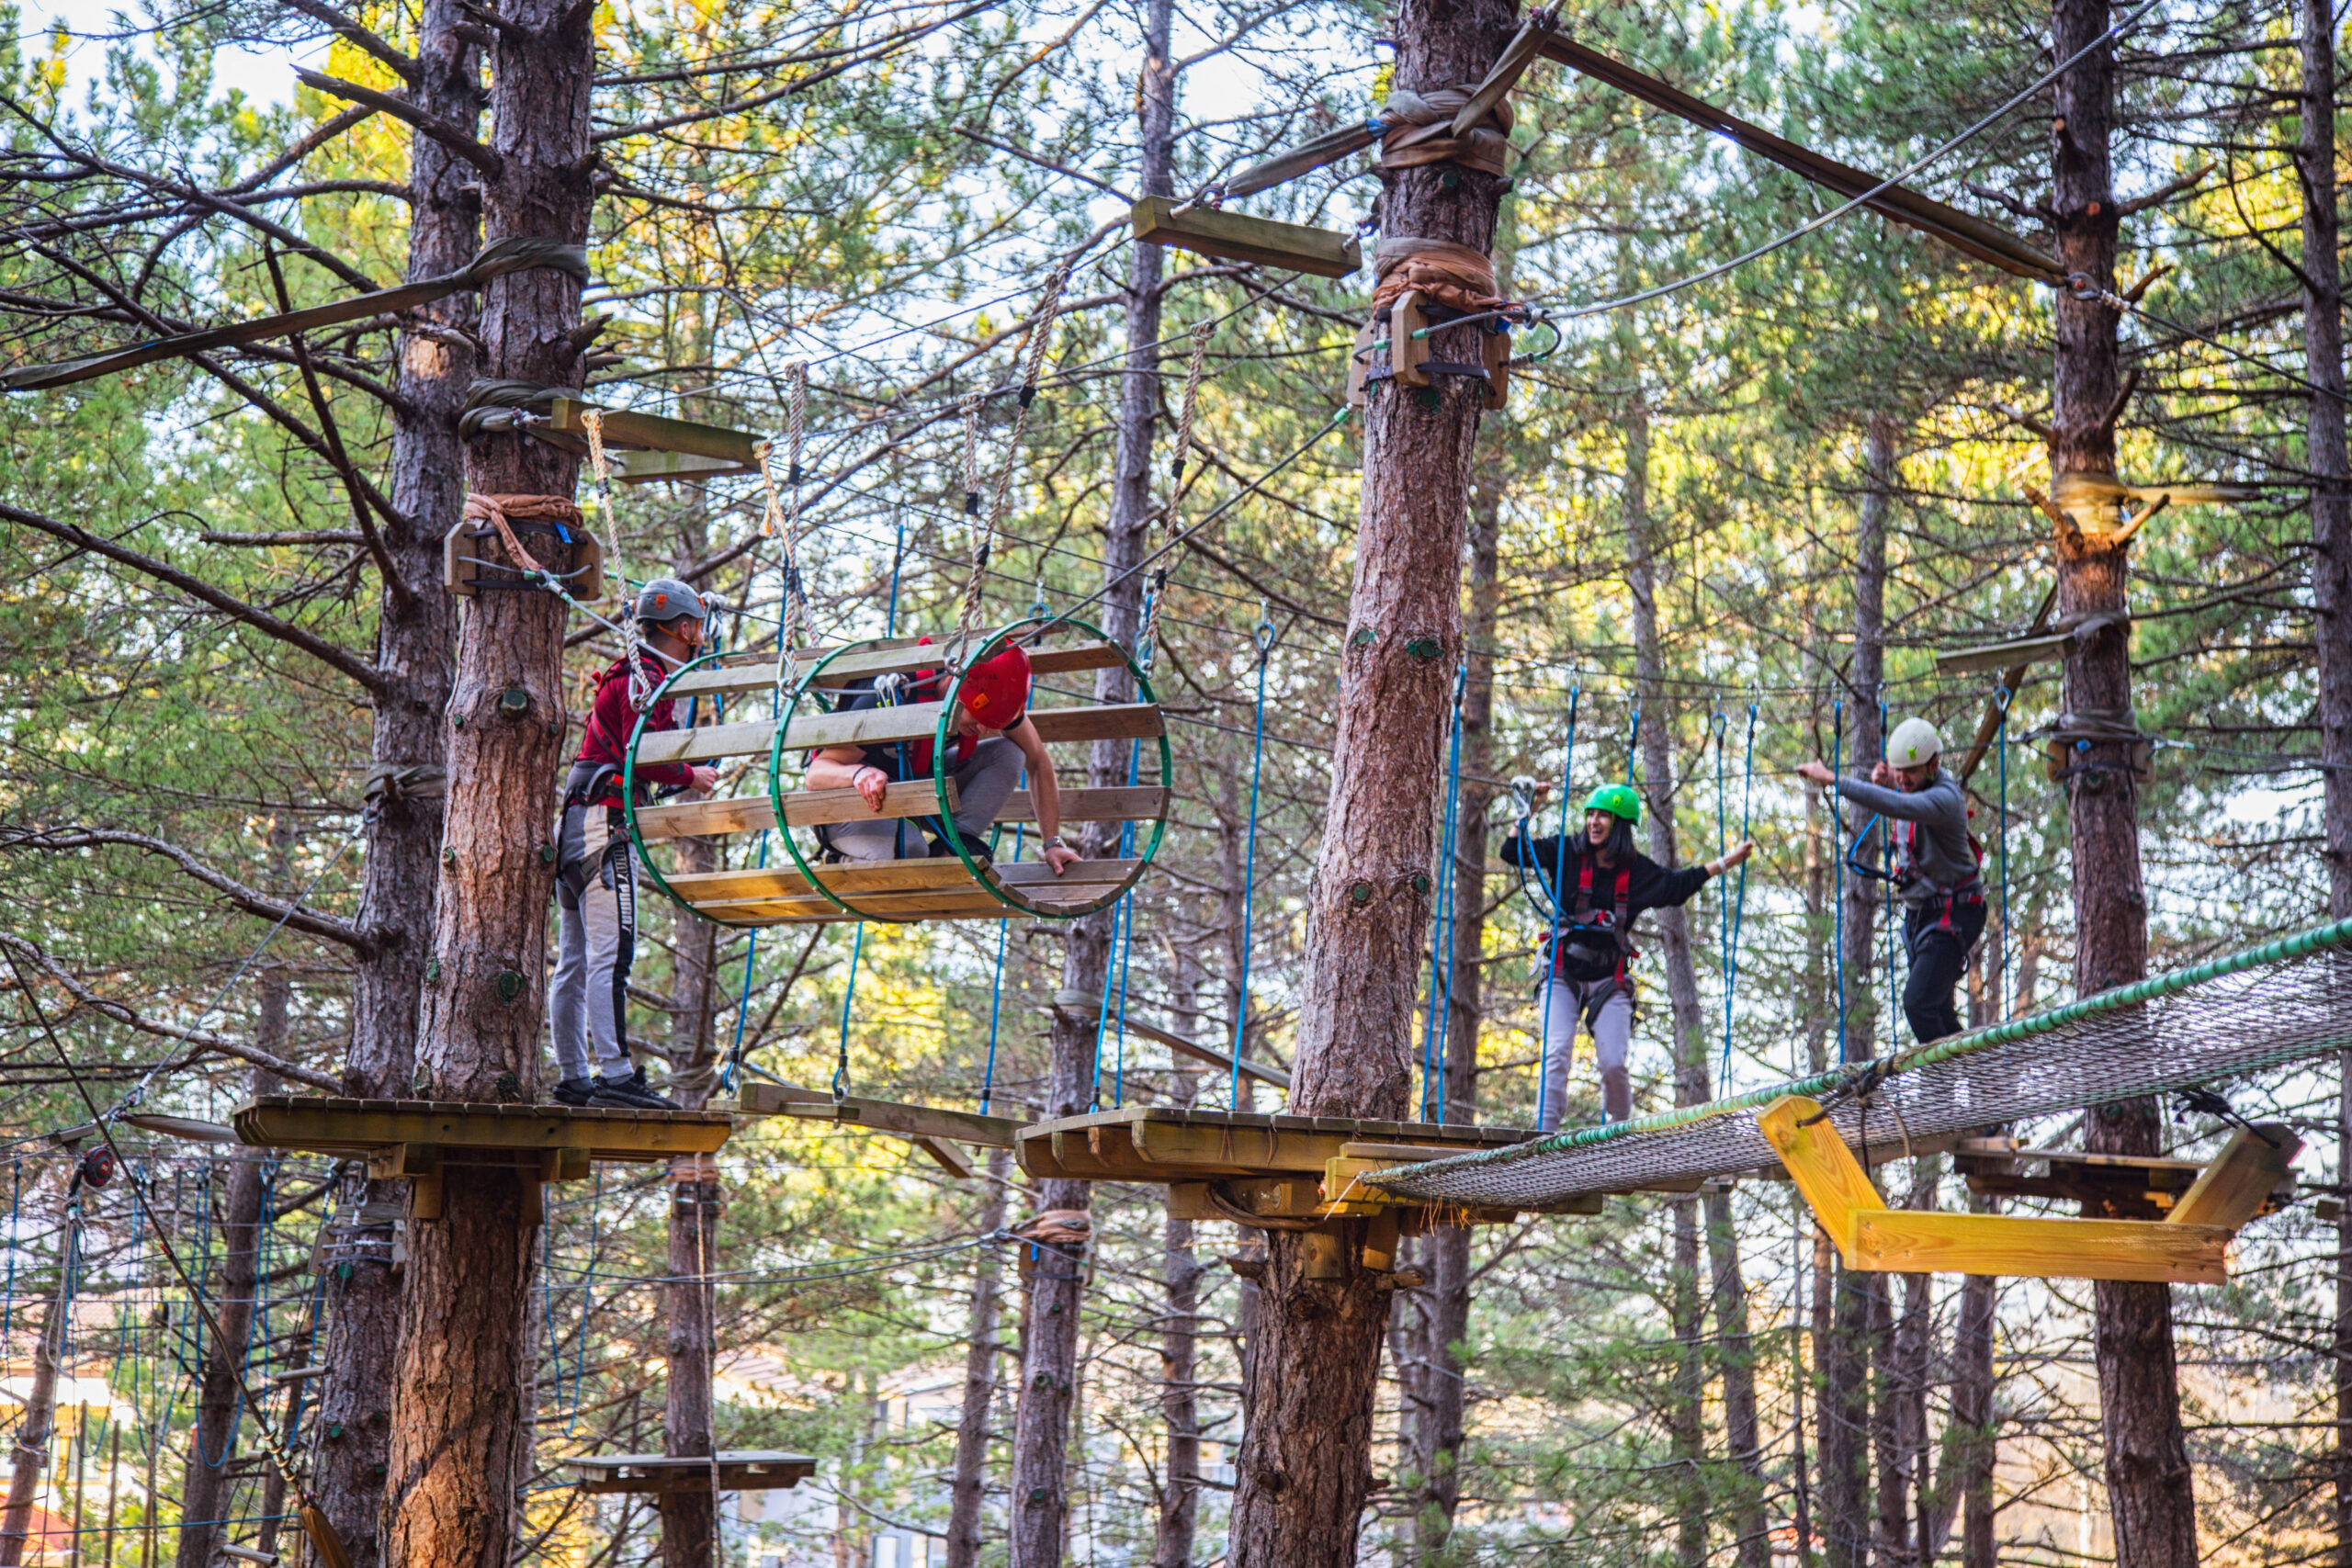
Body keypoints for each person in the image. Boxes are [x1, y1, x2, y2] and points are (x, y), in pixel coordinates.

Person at [548, 578, 718, 1110]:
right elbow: (646, 755)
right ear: (685, 628)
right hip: (603, 824)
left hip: (577, 823)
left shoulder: (629, 673)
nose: (700, 640)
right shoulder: (648, 677)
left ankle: (576, 1074)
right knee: (610, 955)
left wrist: (677, 774)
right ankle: (616, 1077)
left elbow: (632, 755)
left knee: (574, 960)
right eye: (697, 631)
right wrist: (692, 775)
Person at [1501, 784, 1755, 1127]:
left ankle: (1617, 1136)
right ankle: (1544, 1139)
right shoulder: (1567, 852)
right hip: (1562, 971)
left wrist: (1728, 862)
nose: (1593, 822)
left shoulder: (1638, 871)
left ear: (1620, 824)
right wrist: (1526, 811)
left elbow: (1677, 886)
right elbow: (1512, 852)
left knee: (1613, 1063)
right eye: (1590, 814)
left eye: (1603, 815)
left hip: (1611, 979)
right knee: (1556, 1053)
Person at [803, 642, 1082, 875]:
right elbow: (816, 774)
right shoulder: (893, 696)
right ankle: (841, 862)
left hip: (916, 790)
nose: (985, 729)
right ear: (955, 687)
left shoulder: (993, 702)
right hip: (851, 807)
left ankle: (954, 846)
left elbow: (1038, 762)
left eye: (992, 721)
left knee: (1008, 752)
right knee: (911, 851)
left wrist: (1052, 844)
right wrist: (858, 774)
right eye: (980, 718)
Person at [1796, 716, 1984, 1045]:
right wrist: (1888, 785)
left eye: (1909, 771)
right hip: (1922, 916)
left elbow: (1902, 805)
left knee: (1918, 1004)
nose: (1902, 778)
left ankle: (1949, 1077)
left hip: (1953, 913)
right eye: (1898, 770)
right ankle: (1971, 1073)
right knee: (1937, 1009)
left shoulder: (1945, 798)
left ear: (1934, 763)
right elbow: (1901, 799)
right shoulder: (1914, 788)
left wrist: (1832, 779)